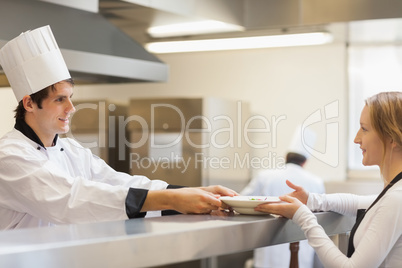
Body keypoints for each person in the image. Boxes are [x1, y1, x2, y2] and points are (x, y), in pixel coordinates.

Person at [0, 25, 236, 230]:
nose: (71, 108)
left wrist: (193, 191)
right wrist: (171, 198)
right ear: (29, 103)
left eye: (71, 97)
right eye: (60, 99)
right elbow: (70, 199)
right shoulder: (10, 156)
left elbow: (118, 183)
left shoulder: (72, 150)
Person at [255, 91, 402, 267]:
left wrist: (303, 216)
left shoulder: (395, 198)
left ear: (392, 138)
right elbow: (358, 203)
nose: (356, 139)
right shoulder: (393, 193)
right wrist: (310, 199)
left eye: (364, 129)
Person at [241, 128, 325, 268]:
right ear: (305, 162)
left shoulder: (265, 177)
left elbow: (241, 201)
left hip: (268, 257)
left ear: (286, 157)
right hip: (301, 257)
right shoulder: (316, 183)